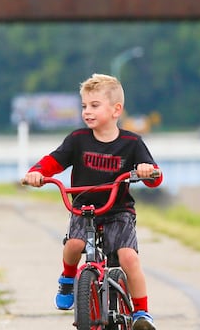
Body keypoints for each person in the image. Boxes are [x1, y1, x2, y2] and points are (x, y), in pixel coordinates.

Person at [22, 73, 162, 330]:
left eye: (94, 105)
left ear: (116, 109)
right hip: (83, 209)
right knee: (74, 245)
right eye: (84, 106)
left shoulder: (131, 143)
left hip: (118, 210)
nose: (87, 111)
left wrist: (146, 170)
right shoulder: (78, 139)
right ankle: (67, 279)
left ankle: (142, 313)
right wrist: (38, 172)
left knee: (129, 258)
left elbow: (154, 176)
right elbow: (54, 161)